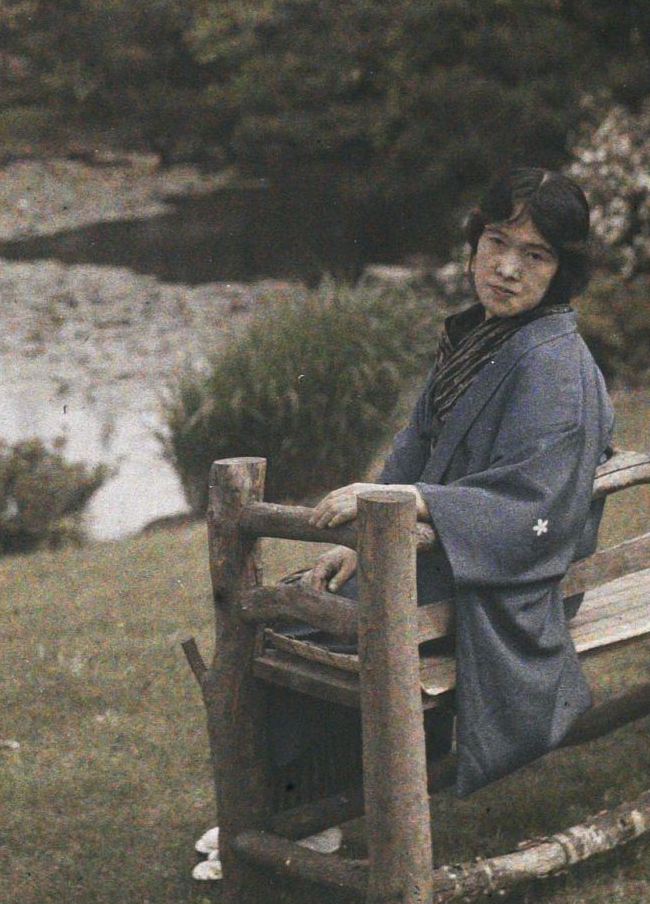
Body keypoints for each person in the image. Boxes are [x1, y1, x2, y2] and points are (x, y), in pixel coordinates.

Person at [251, 167, 616, 850]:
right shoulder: (478, 335)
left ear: (562, 269)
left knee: (317, 626)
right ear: (474, 241)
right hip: (453, 550)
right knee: (289, 602)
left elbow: (535, 504)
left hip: (516, 574)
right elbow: (416, 445)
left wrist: (405, 501)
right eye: (496, 241)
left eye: (534, 255)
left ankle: (310, 817)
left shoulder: (555, 364)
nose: (506, 268)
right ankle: (299, 807)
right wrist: (363, 537)